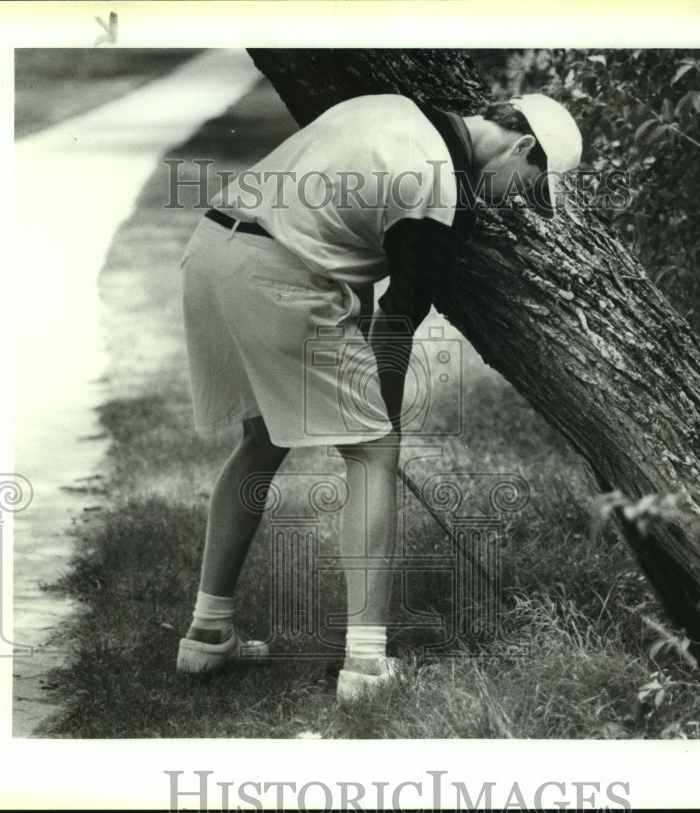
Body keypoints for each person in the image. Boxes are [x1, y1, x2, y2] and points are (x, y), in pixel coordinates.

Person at [176, 91, 581, 704]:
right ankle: (365, 668)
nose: (513, 201)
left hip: (210, 253)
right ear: (522, 146)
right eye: (527, 184)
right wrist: (382, 420)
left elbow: (340, 218)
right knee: (372, 453)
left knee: (261, 439)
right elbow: (395, 327)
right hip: (275, 276)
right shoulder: (437, 190)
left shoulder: (393, 107)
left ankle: (207, 634)